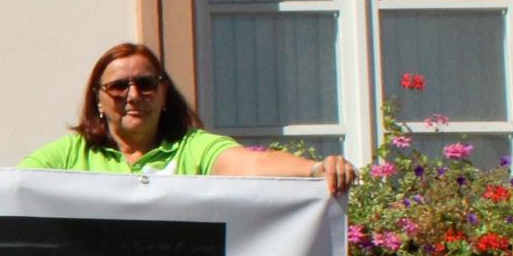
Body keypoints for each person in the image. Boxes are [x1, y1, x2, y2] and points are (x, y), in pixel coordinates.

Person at [20, 43, 354, 193]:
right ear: (99, 99)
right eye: (119, 86)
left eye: (146, 84)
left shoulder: (192, 148)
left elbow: (251, 165)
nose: (133, 96)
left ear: (164, 93)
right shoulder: (70, 153)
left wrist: (313, 169)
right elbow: (12, 187)